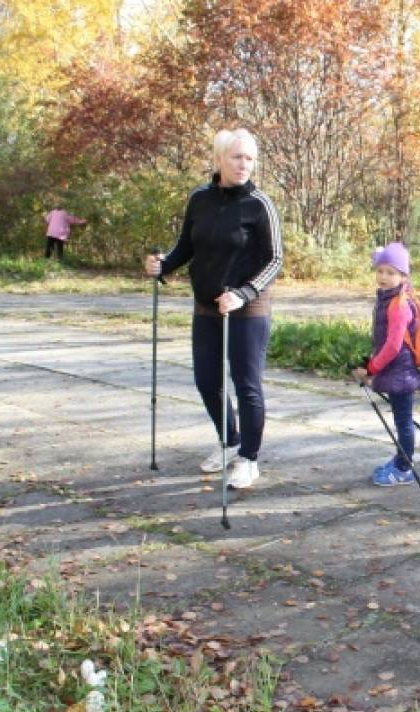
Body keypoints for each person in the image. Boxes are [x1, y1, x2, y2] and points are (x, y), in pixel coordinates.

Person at [144, 128, 282, 490]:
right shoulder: (200, 199)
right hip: (206, 307)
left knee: (247, 385)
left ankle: (249, 459)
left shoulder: (260, 204)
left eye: (250, 158)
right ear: (219, 159)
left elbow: (275, 259)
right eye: (237, 157)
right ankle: (230, 441)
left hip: (246, 310)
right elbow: (186, 245)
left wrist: (244, 293)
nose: (244, 165)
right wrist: (164, 264)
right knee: (207, 381)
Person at [352, 243, 420, 487]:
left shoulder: (399, 305)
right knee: (402, 419)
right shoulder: (388, 299)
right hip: (395, 371)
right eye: (380, 270)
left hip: (400, 372)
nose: (383, 276)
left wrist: (372, 368)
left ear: (404, 276)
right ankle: (400, 459)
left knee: (404, 422)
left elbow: (393, 346)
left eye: (391, 272)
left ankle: (404, 468)